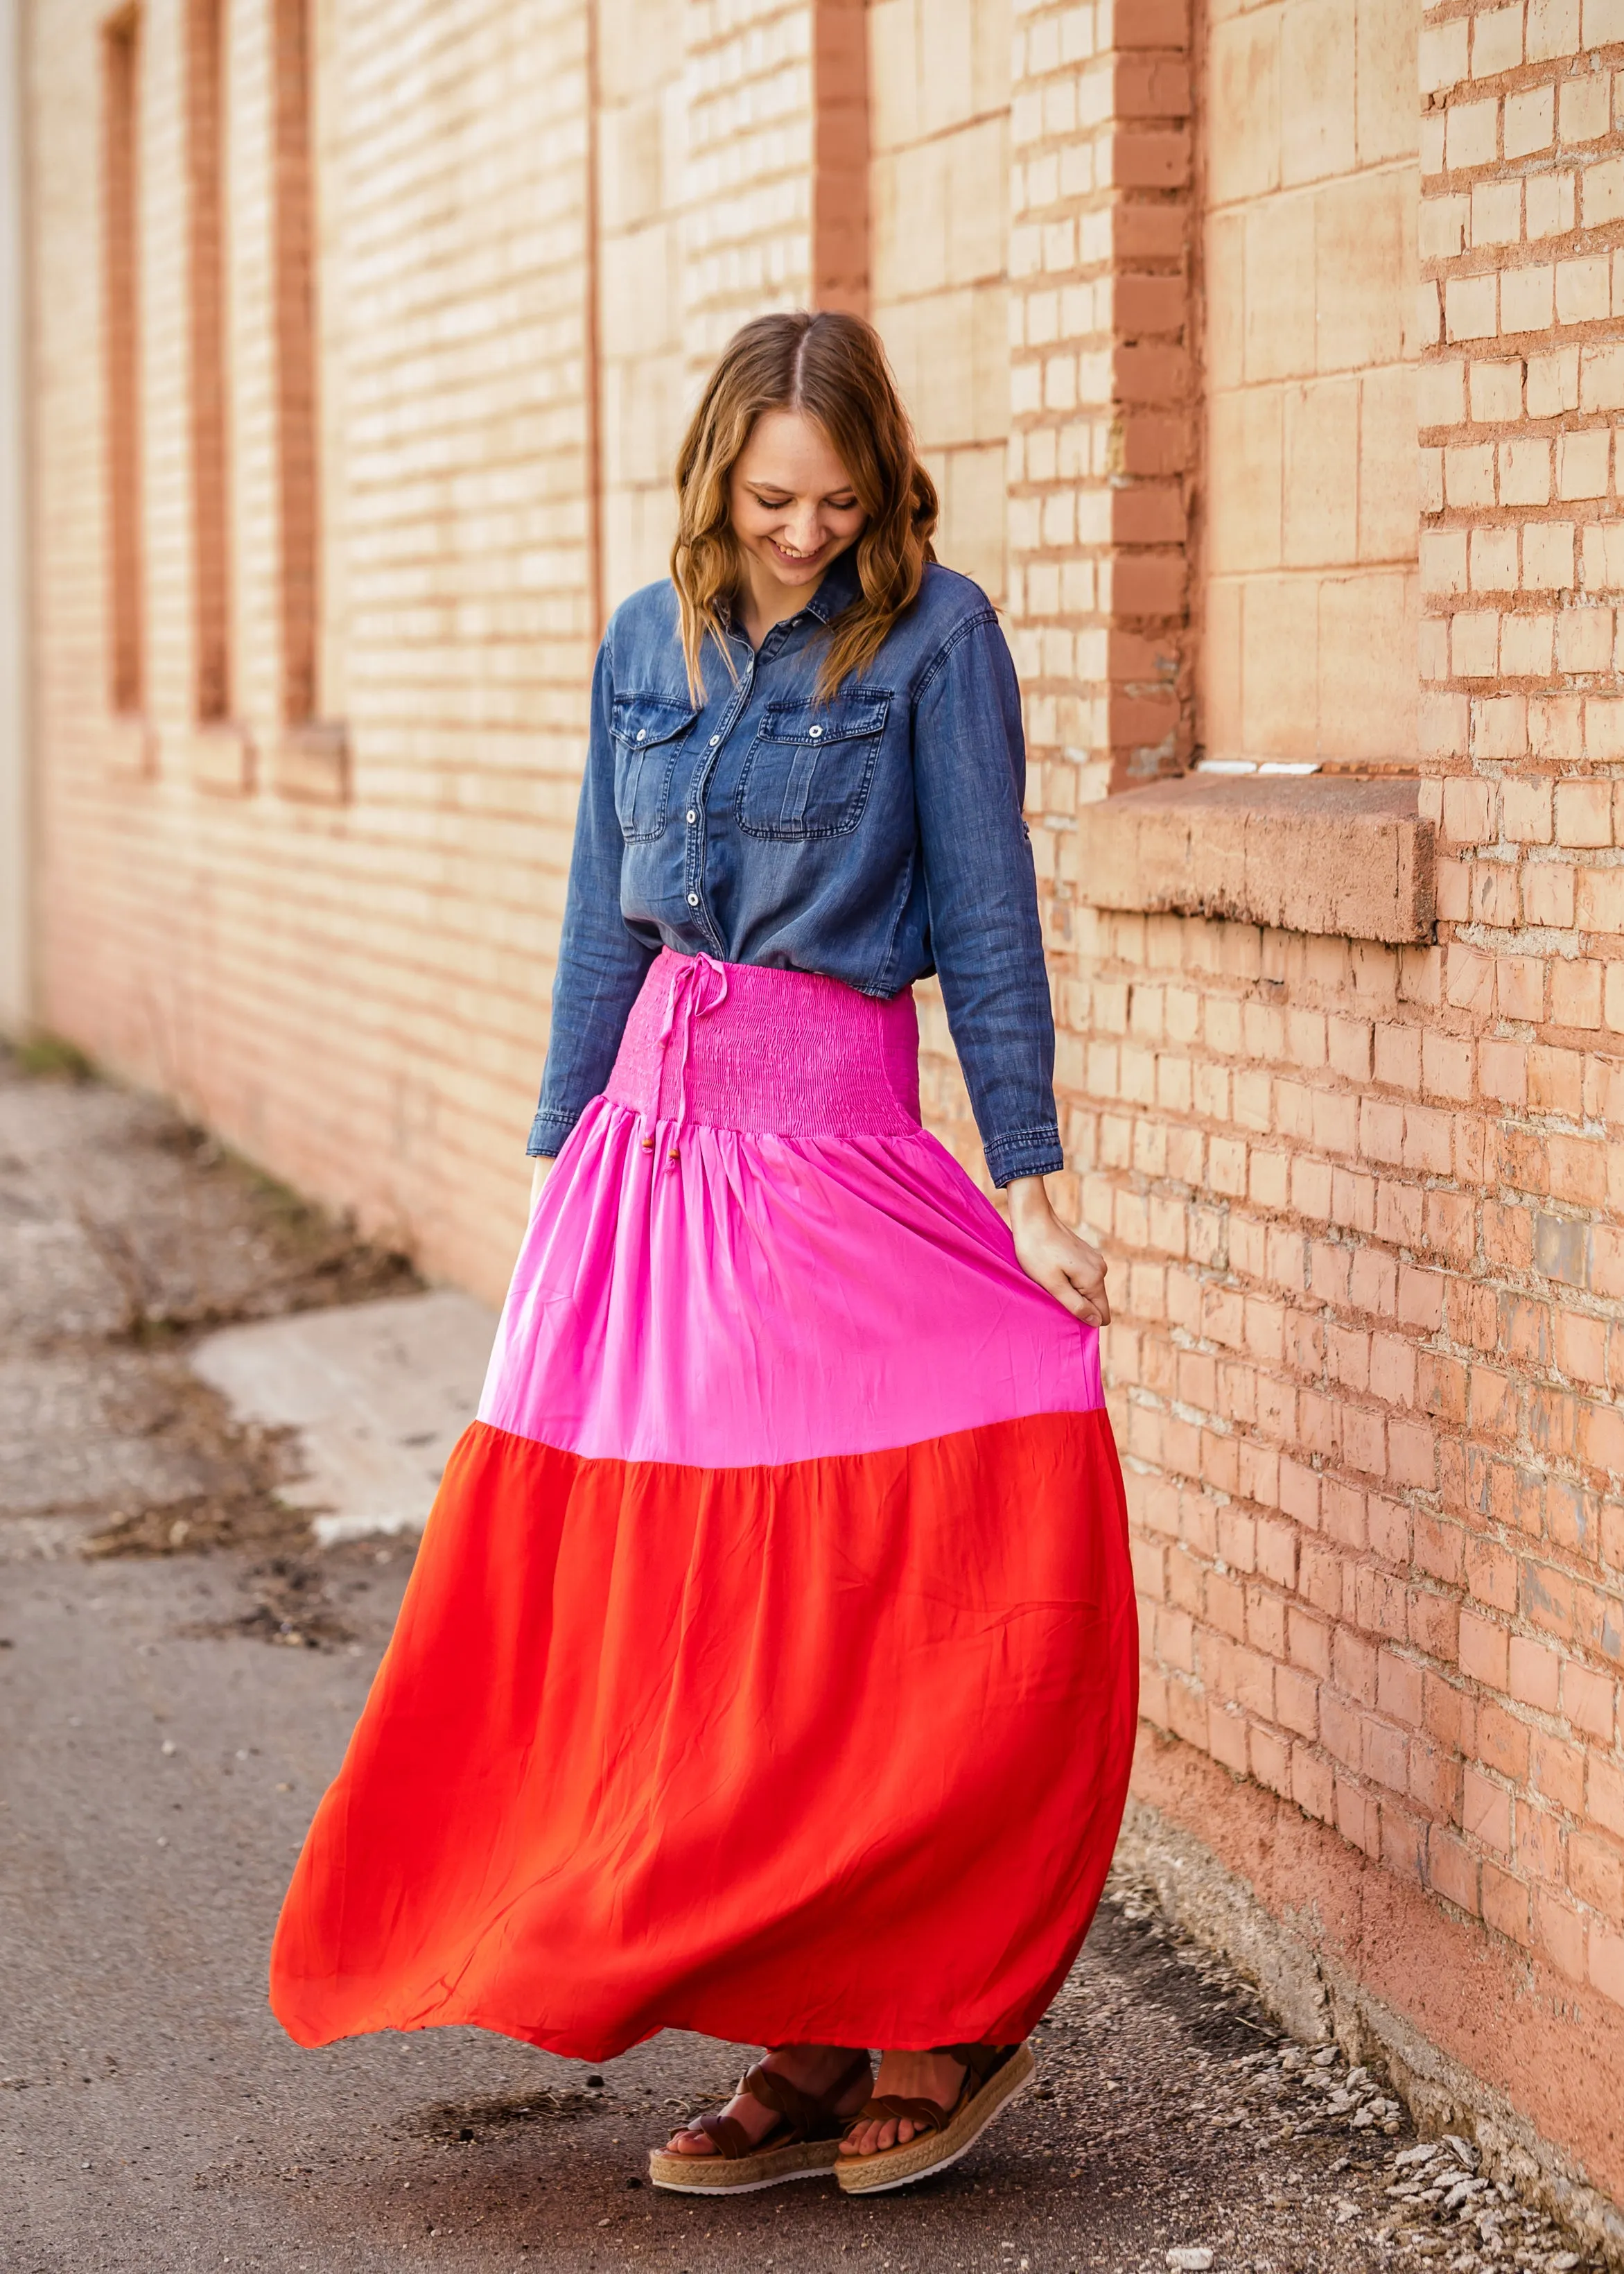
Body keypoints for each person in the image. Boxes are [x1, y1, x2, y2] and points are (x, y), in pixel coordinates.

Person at [269, 310, 1137, 2202]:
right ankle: (805, 2027)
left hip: (835, 1150)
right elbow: (605, 914)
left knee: (887, 1577)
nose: (805, 535)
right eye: (769, 501)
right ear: (713, 479)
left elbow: (987, 919)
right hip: (650, 1178)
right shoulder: (643, 643)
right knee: (699, 1622)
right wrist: (552, 1158)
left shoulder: (938, 640)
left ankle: (936, 2007)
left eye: (836, 502)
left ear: (882, 485)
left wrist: (1033, 1182)